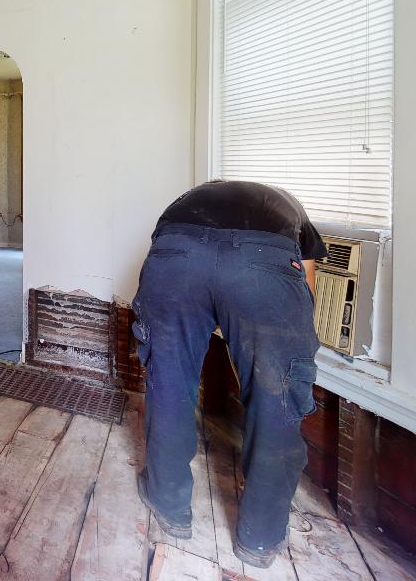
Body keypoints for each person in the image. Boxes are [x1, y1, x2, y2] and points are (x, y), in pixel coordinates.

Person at [132, 179, 326, 568]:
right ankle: (261, 536)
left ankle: (168, 504)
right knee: (278, 395)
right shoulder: (288, 207)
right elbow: (305, 286)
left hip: (174, 256)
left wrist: (214, 308)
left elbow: (178, 255)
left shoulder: (189, 199)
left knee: (168, 380)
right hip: (262, 266)